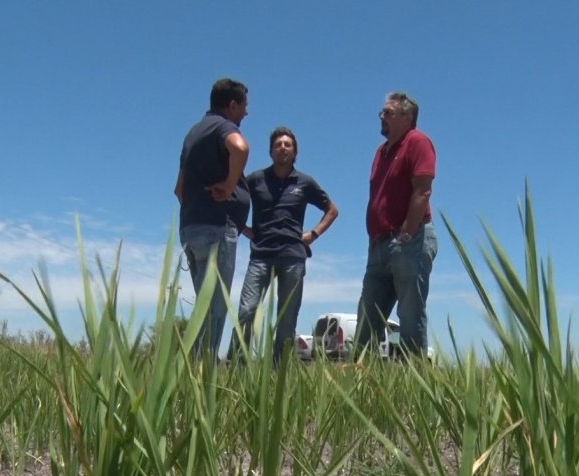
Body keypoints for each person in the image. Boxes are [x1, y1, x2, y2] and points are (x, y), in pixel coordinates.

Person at [228, 127, 338, 363]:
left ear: (295, 152)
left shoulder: (305, 182)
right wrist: (243, 228)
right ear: (271, 151)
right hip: (261, 255)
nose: (283, 148)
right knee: (247, 312)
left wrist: (314, 234)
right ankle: (236, 369)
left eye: (288, 145)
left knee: (287, 320)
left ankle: (280, 374)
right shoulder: (256, 179)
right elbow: (233, 200)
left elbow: (332, 210)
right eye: (278, 145)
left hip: (293, 256)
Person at [354, 92, 437, 357]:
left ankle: (414, 380)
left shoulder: (418, 142)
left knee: (410, 314)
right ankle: (361, 375)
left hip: (409, 241)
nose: (382, 117)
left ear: (407, 117)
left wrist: (407, 234)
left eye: (388, 113)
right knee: (368, 313)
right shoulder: (381, 152)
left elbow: (422, 191)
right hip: (378, 245)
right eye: (382, 113)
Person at [174, 78, 251, 357]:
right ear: (232, 105)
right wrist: (230, 185)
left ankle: (190, 371)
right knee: (217, 309)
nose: (246, 113)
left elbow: (179, 190)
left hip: (191, 228)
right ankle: (201, 376)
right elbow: (240, 147)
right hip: (217, 228)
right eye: (244, 106)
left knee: (204, 307)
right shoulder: (223, 126)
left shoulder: (193, 133)